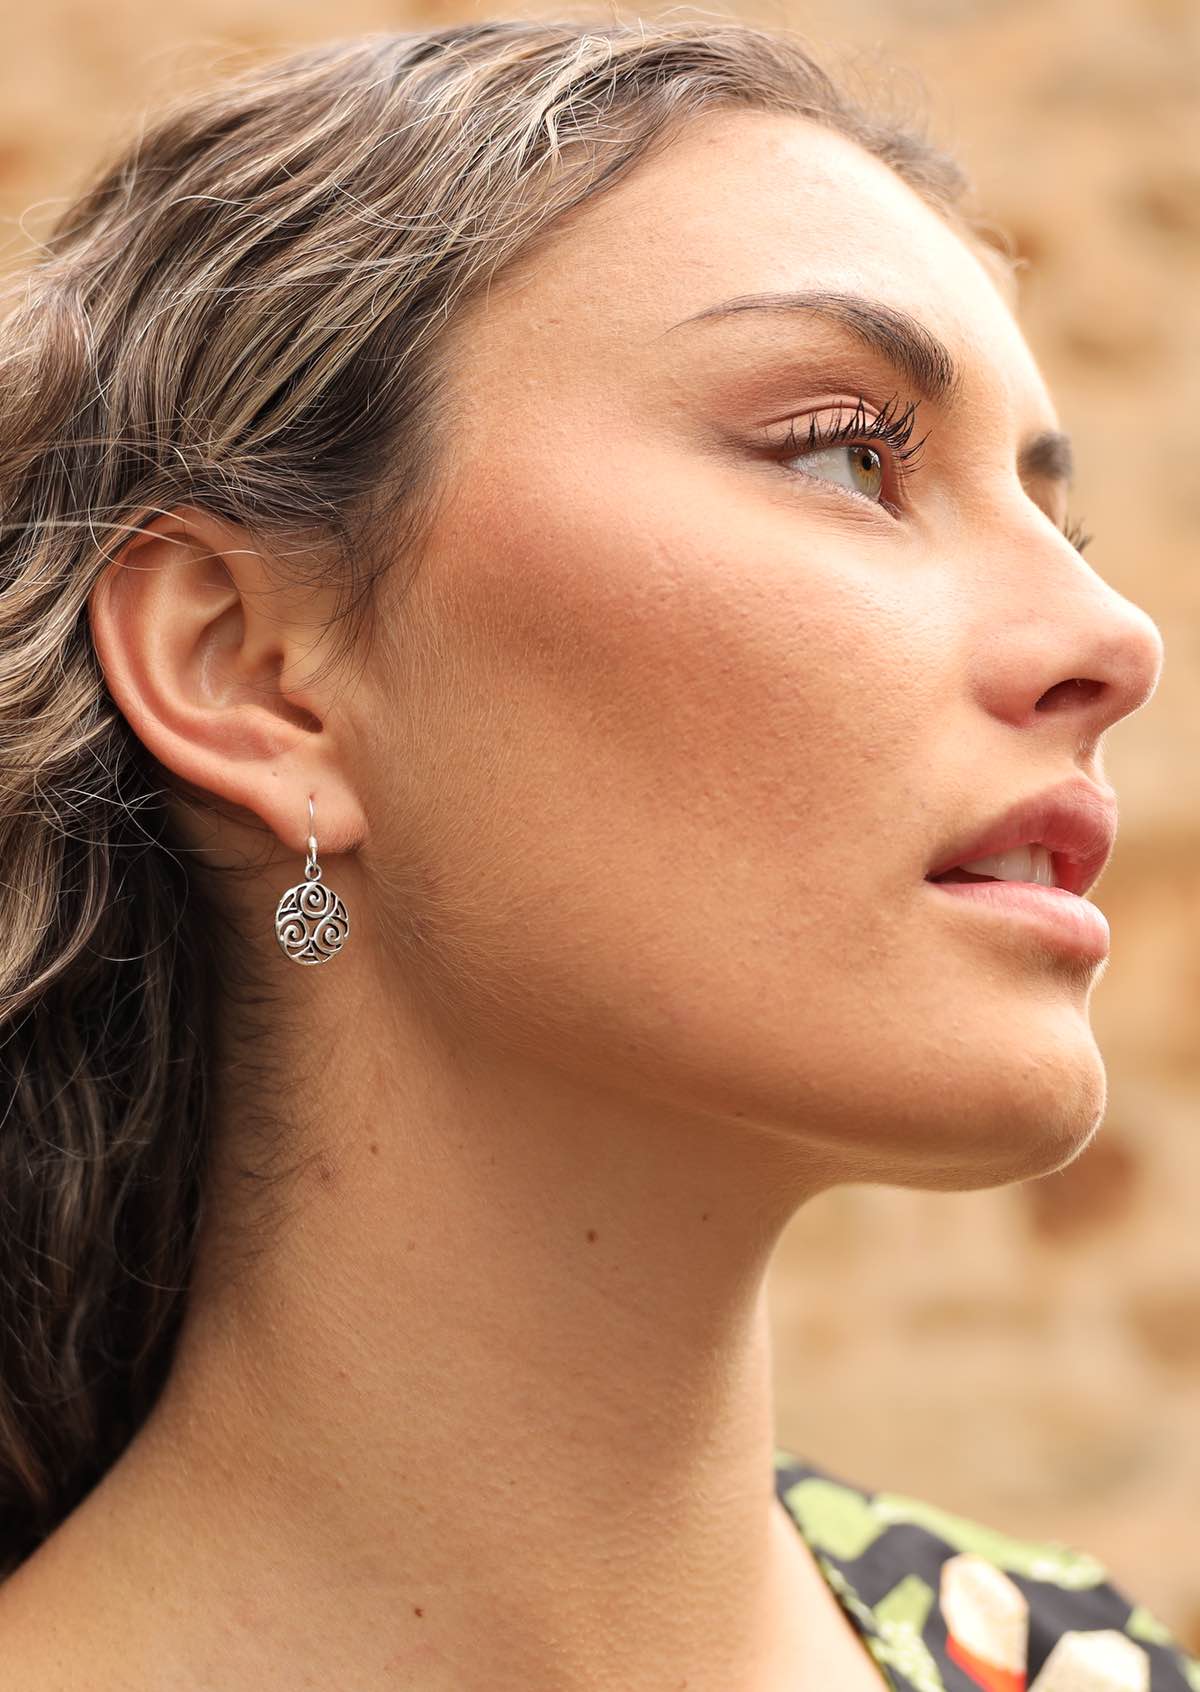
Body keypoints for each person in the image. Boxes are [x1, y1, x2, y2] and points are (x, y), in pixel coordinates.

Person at [0, 15, 1191, 1690]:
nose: (1114, 637)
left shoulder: (1087, 1667)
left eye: (1060, 524)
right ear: (251, 670)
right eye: (850, 454)